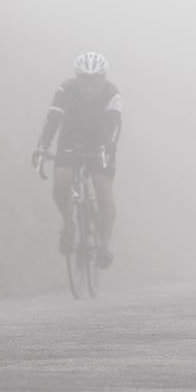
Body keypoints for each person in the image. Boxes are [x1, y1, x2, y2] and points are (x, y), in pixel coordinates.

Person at [33, 51, 122, 268]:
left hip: (100, 143)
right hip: (70, 140)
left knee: (102, 189)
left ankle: (104, 246)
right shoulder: (65, 90)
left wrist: (107, 149)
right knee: (61, 183)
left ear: (104, 79)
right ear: (76, 78)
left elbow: (113, 126)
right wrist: (43, 146)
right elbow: (53, 119)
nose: (89, 87)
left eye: (95, 82)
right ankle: (69, 225)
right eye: (84, 81)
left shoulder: (112, 93)